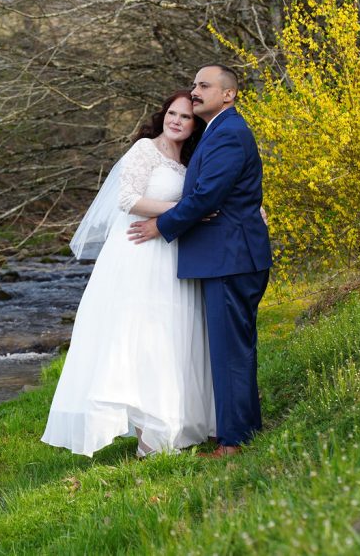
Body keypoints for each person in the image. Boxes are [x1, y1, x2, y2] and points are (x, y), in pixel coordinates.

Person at [41, 91, 215, 457]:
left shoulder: (188, 160)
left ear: (195, 124)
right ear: (163, 115)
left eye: (185, 117)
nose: (177, 121)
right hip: (138, 254)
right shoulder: (144, 150)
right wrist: (183, 209)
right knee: (138, 337)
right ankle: (146, 438)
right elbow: (127, 199)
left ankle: (167, 428)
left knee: (170, 336)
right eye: (172, 113)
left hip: (171, 255)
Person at [128, 64, 272, 459]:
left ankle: (234, 442)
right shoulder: (217, 131)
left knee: (230, 352)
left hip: (230, 258)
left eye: (203, 86)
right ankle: (240, 430)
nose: (194, 91)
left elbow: (208, 196)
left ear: (229, 94)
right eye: (193, 84)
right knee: (232, 349)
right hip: (226, 256)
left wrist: (161, 225)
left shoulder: (228, 133)